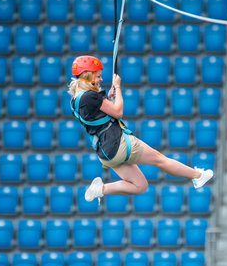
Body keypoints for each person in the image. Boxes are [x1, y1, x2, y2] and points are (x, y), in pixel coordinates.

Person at [68, 55, 214, 202]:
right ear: (88, 75)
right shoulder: (91, 97)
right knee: (160, 160)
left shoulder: (75, 100)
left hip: (106, 153)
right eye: (98, 76)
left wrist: (108, 97)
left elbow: (98, 114)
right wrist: (118, 87)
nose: (100, 79)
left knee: (140, 186)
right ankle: (198, 176)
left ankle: (101, 189)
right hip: (118, 144)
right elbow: (118, 112)